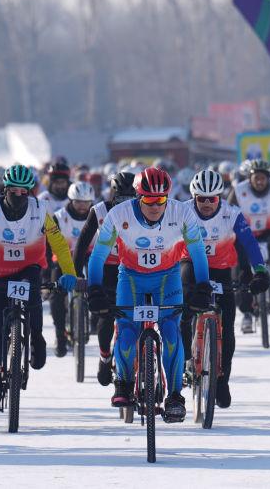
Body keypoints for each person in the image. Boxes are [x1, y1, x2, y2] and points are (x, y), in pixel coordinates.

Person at [85, 167, 212, 423]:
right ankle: (123, 383)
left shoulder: (181, 213)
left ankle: (174, 396)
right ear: (138, 197)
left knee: (172, 334)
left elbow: (198, 252)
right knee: (126, 334)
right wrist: (95, 289)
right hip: (131, 278)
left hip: (168, 277)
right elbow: (98, 256)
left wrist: (202, 286)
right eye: (149, 200)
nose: (155, 206)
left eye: (161, 200)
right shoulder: (118, 214)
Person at [0, 164, 77, 412]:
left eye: (25, 192)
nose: (20, 196)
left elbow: (59, 245)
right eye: (14, 191)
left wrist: (69, 273)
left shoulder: (40, 210)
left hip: (28, 268)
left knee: (32, 296)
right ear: (5, 189)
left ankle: (37, 338)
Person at [182, 169, 269, 408]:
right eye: (201, 198)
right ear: (194, 197)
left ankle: (222, 381)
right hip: (190, 264)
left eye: (212, 198)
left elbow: (250, 244)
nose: (207, 203)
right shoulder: (182, 211)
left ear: (220, 197)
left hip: (221, 269)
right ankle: (184, 358)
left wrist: (260, 271)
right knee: (184, 307)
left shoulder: (232, 214)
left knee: (227, 327)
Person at [71, 171, 136, 386]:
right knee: (106, 316)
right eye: (121, 198)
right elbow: (82, 242)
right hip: (106, 268)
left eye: (130, 198)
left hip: (134, 268)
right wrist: (76, 273)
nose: (125, 204)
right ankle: (105, 356)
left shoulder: (145, 210)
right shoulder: (99, 211)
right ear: (112, 194)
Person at [228, 159, 270, 333]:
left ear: (269, 178)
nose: (260, 182)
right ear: (250, 178)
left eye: (263, 178)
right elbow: (227, 212)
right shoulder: (239, 191)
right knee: (242, 270)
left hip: (269, 230)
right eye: (256, 178)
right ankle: (246, 313)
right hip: (246, 233)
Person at [50, 181, 95, 357]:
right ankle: (60, 334)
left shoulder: (96, 215)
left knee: (99, 282)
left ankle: (94, 317)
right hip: (64, 258)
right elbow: (49, 243)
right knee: (56, 294)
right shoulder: (59, 217)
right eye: (78, 202)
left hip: (89, 256)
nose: (83, 206)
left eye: (86, 202)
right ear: (70, 200)